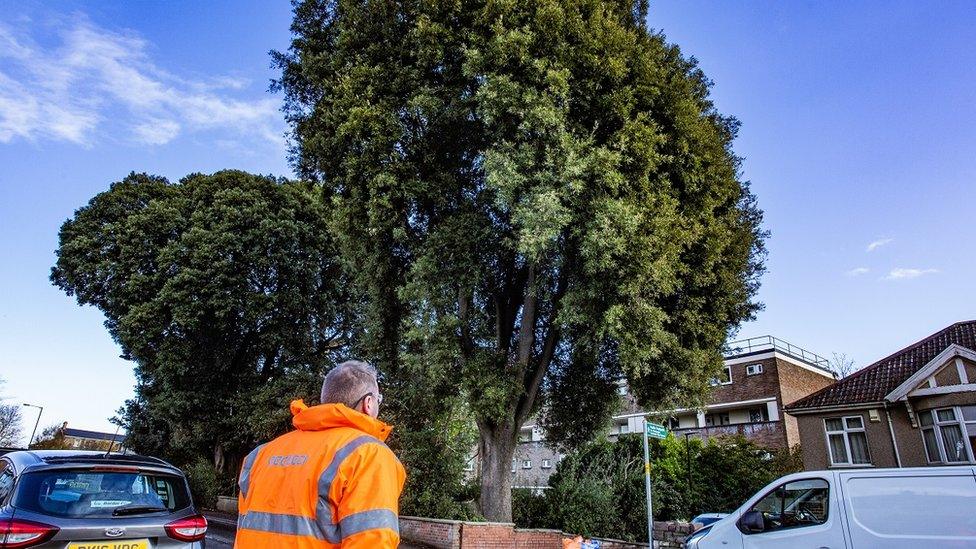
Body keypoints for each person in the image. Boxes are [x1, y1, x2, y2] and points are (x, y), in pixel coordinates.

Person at [236, 360, 406, 548]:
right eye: (378, 399)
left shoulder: (261, 454)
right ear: (368, 403)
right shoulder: (368, 455)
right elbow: (372, 542)